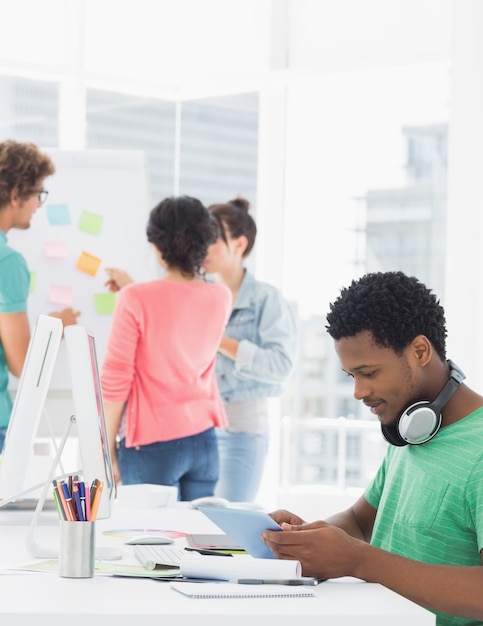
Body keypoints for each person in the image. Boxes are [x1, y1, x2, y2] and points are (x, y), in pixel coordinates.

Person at [262, 271, 483, 626]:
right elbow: (359, 522)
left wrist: (359, 560)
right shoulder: (412, 428)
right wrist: (307, 539)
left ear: (420, 351)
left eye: (369, 372)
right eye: (352, 376)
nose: (359, 392)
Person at [100, 195, 232, 501]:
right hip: (204, 442)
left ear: (157, 247)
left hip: (151, 446)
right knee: (198, 544)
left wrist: (105, 450)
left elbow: (116, 378)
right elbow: (175, 313)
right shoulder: (221, 296)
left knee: (148, 546)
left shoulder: (134, 299)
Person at [202, 197, 297, 502]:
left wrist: (219, 340)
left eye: (213, 239)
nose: (203, 246)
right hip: (196, 431)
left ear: (239, 244)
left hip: (241, 432)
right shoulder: (197, 295)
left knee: (225, 531)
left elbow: (280, 366)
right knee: (193, 526)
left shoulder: (266, 299)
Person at [0, 140, 80, 452]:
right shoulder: (7, 262)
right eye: (38, 194)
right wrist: (54, 327)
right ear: (16, 194)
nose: (40, 204)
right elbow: (22, 364)